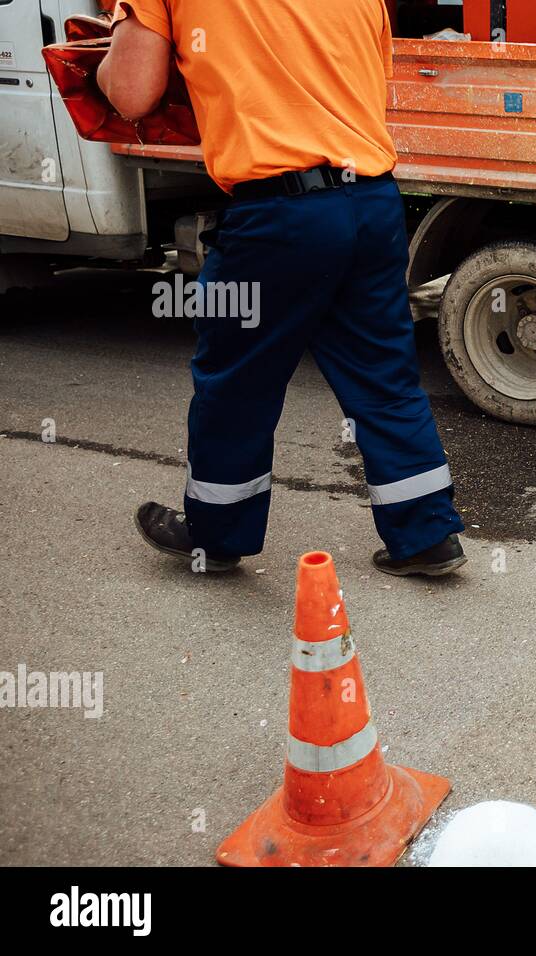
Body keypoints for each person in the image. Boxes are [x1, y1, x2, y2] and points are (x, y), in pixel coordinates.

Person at [98, 0, 468, 575]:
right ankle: (426, 535)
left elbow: (130, 93)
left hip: (279, 214)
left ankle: (216, 535)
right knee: (383, 377)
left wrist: (114, 41)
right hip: (370, 201)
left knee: (237, 379)